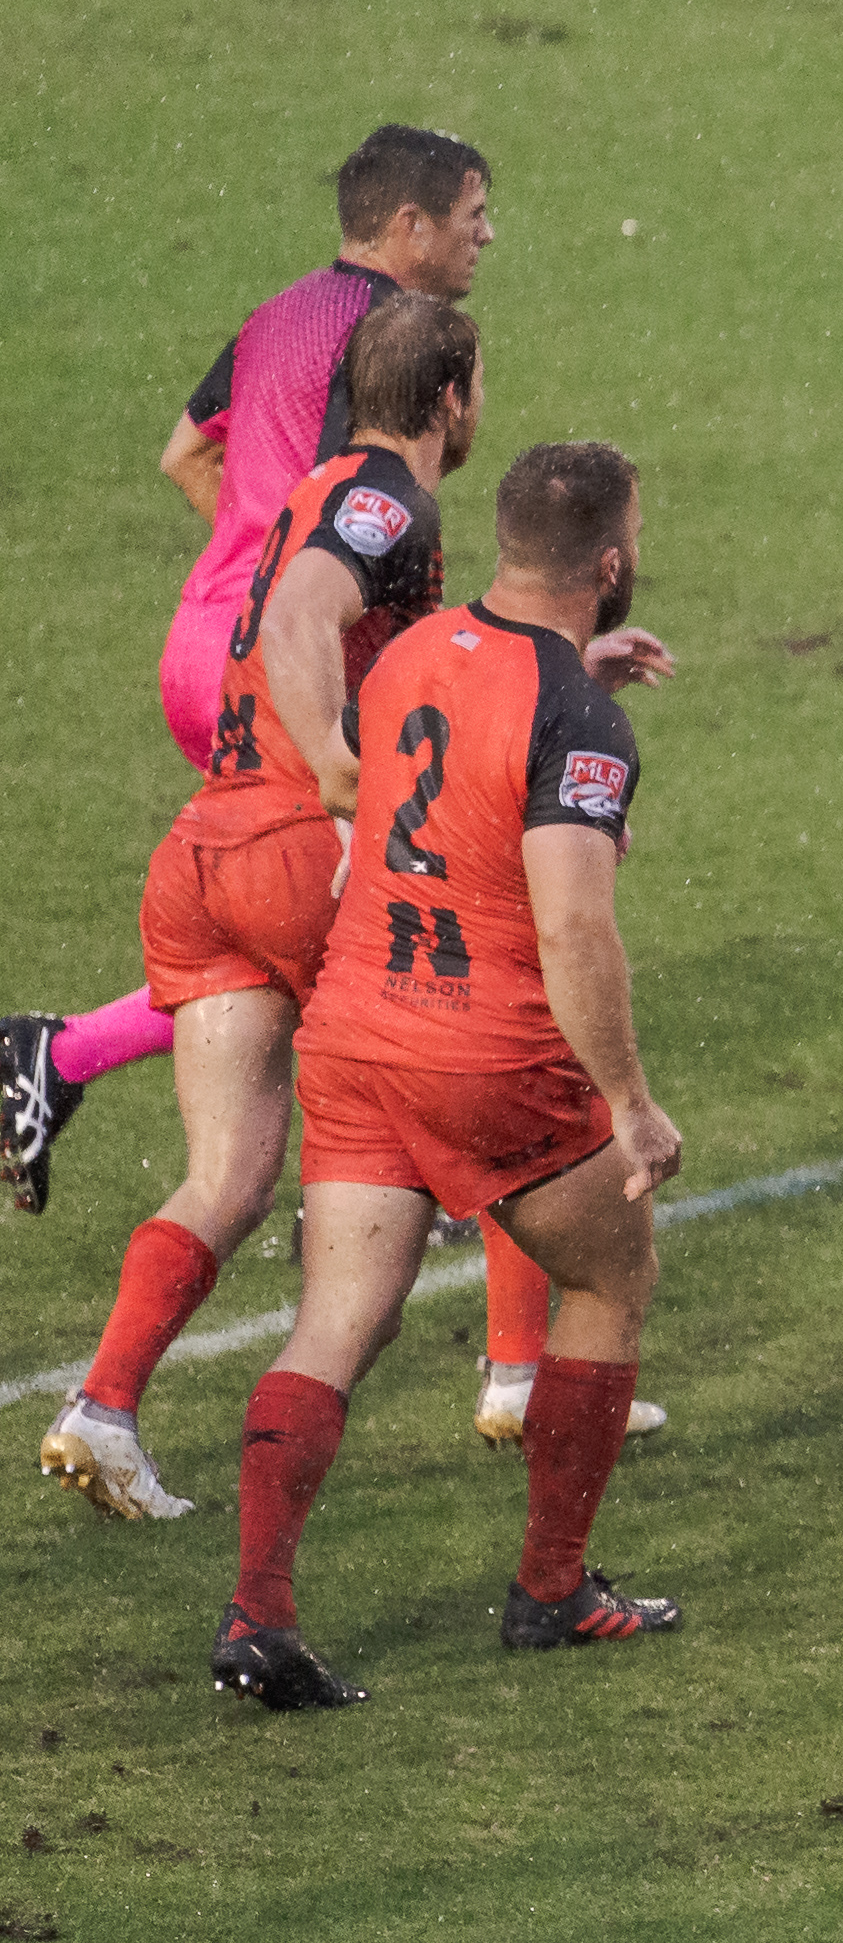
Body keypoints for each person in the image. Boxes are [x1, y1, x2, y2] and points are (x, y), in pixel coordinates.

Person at [212, 442, 683, 1711]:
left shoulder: (414, 651)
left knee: (337, 1320)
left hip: (358, 1036)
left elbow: (397, 764)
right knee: (612, 1271)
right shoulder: (578, 721)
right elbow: (575, 927)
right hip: (486, 1056)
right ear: (610, 562)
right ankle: (551, 1586)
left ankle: (257, 1612)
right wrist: (630, 1103)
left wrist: (566, 686)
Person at [37, 301, 477, 1517]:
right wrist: (337, 768)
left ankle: (104, 1406)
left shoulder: (315, 485)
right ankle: (525, 1372)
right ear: (452, 398)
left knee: (228, 1175)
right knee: (513, 1065)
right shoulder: (389, 499)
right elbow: (297, 615)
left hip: (205, 853)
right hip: (296, 851)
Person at [5, 126, 497, 1216]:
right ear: (409, 227)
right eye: (472, 215)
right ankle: (407, 1164)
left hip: (207, 636)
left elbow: (183, 453)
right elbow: (344, 530)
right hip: (287, 657)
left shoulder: (279, 311)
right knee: (343, 913)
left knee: (267, 914)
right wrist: (302, 610)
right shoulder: (393, 344)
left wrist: (250, 564)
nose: (486, 235)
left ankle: (65, 1056)